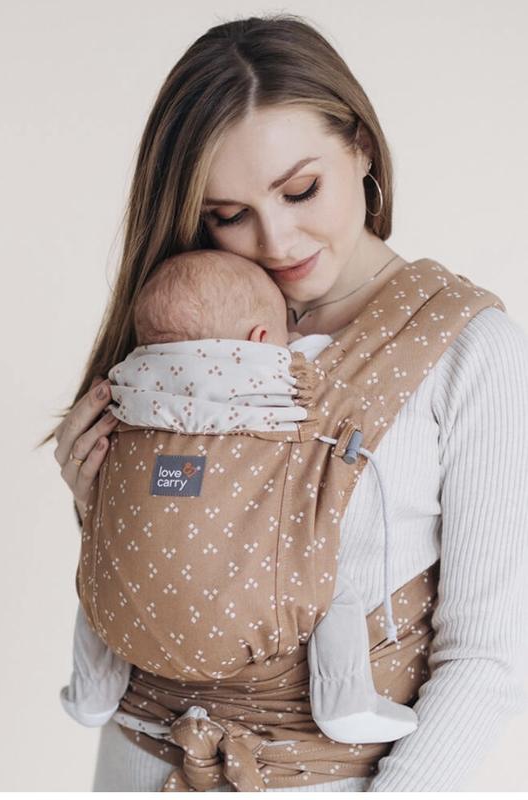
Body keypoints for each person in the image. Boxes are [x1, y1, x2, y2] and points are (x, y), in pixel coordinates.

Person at [38, 13, 528, 792]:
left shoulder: (467, 350)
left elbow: (487, 658)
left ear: (361, 147)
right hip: (139, 762)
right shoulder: (189, 325)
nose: (275, 240)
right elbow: (171, 572)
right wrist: (97, 501)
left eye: (301, 190)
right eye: (227, 214)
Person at [60, 247, 419, 746]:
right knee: (335, 590)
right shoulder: (279, 385)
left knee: (100, 575)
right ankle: (345, 700)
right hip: (252, 613)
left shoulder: (127, 386)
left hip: (122, 619)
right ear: (262, 339)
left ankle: (92, 690)